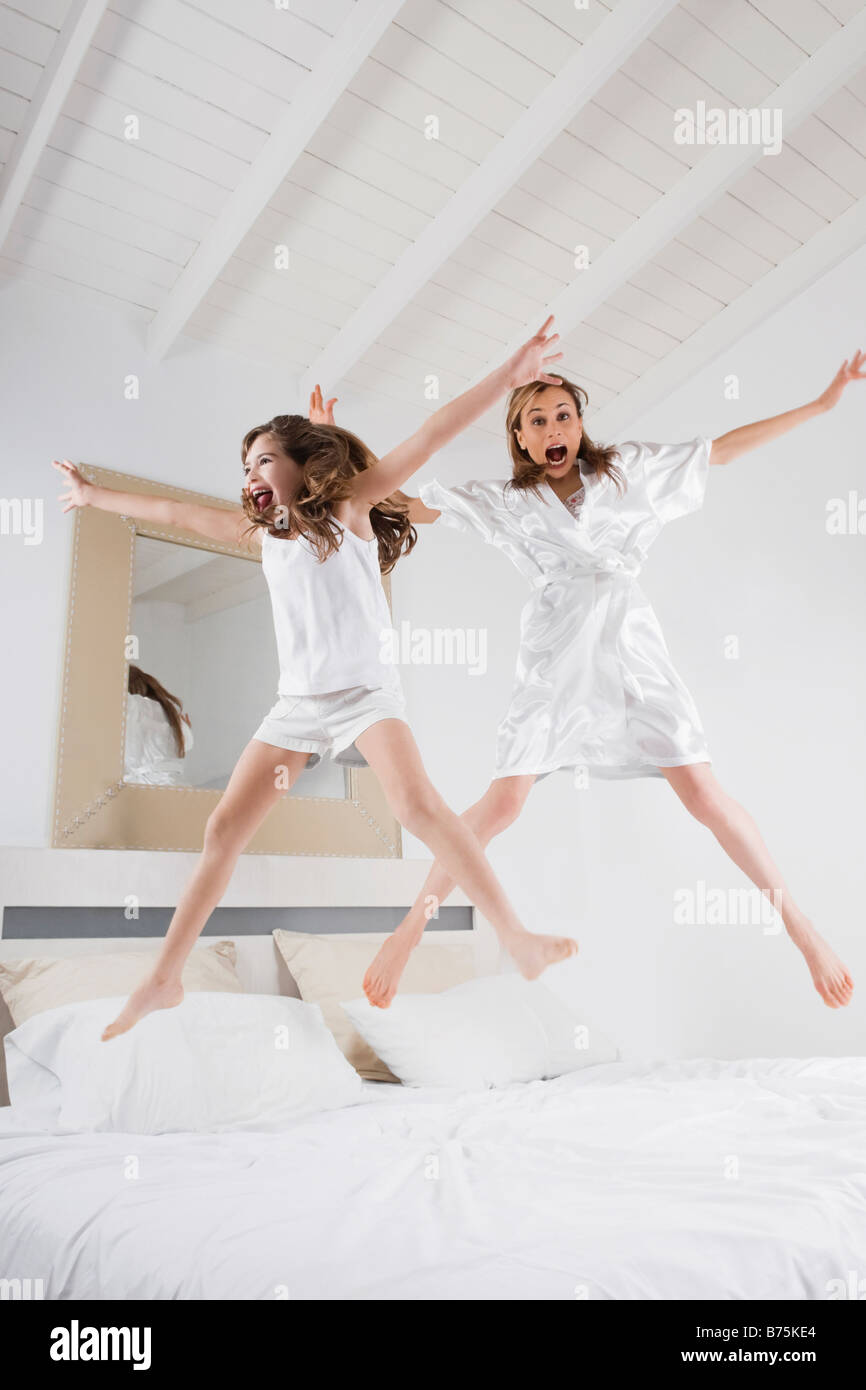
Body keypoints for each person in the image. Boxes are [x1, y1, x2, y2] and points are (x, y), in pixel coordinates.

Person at [53, 317, 578, 1041]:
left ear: (303, 466)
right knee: (222, 829)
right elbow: (173, 511)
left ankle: (516, 936)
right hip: (297, 709)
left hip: (366, 697)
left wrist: (509, 376)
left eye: (263, 460)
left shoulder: (351, 506)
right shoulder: (261, 538)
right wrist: (93, 497)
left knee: (421, 809)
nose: (249, 478)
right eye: (244, 468)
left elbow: (429, 434)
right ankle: (166, 976)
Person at [358, 354, 865, 1011]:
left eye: (563, 413)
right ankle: (407, 933)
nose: (552, 427)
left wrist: (823, 404)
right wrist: (331, 447)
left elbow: (723, 451)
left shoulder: (629, 470)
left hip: (630, 647)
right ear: (519, 437)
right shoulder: (507, 502)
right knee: (502, 805)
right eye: (536, 419)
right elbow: (398, 499)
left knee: (705, 795)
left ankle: (802, 929)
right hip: (556, 653)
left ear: (580, 421)